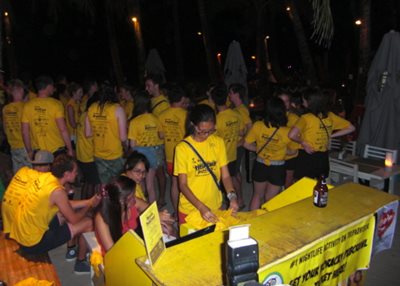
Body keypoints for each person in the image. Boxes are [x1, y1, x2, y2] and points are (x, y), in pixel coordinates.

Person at [10, 154, 101, 273]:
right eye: (75, 171)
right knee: (89, 222)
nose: (77, 174)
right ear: (67, 174)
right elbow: (74, 219)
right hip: (32, 243)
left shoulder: (46, 178)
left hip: (23, 235)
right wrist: (90, 206)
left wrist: (88, 201)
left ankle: (71, 250)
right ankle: (80, 262)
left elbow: (65, 204)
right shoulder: (57, 191)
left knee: (64, 213)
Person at [174, 104, 239, 225]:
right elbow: (182, 185)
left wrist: (232, 197)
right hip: (190, 208)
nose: (206, 135)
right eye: (202, 131)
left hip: (215, 205)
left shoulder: (218, 142)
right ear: (193, 125)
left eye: (210, 131)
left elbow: (225, 176)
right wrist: (201, 207)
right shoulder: (182, 148)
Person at [94, 175, 175, 255]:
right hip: (119, 253)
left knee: (167, 227)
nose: (135, 199)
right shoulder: (101, 219)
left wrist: (161, 216)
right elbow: (112, 252)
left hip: (135, 242)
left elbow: (152, 212)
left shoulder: (132, 202)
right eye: (132, 197)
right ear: (121, 201)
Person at [288, 88, 355, 180]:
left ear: (309, 102)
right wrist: (330, 135)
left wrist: (304, 143)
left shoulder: (306, 118)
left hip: (307, 156)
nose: (303, 103)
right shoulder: (330, 116)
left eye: (304, 100)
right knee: (320, 186)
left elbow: (292, 135)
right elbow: (351, 128)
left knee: (303, 186)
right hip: (322, 157)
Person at [244, 97, 296, 210]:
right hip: (277, 168)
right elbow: (294, 151)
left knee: (257, 195)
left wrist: (259, 149)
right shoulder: (287, 131)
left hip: (260, 164)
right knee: (270, 199)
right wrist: (281, 150)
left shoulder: (258, 125)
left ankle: (253, 222)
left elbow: (246, 144)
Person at [21, 76, 74, 159]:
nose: (53, 88)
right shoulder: (56, 104)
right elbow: (62, 129)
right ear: (48, 86)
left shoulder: (27, 106)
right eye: (53, 86)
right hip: (57, 151)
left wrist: (29, 151)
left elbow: (25, 132)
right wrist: (70, 149)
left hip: (38, 152)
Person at [2, 150, 54, 235]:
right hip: (21, 219)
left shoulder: (22, 171)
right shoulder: (45, 178)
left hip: (6, 213)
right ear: (49, 166)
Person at [85, 84, 127, 184]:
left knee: (105, 184)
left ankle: (107, 200)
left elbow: (87, 133)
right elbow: (123, 137)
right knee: (119, 184)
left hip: (99, 154)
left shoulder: (91, 108)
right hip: (115, 154)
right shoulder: (118, 109)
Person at [211, 84, 244, 207]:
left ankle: (232, 202)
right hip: (233, 153)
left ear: (214, 100)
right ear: (227, 98)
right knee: (233, 177)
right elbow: (241, 131)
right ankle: (240, 199)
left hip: (222, 156)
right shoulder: (236, 114)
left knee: (225, 180)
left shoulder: (216, 120)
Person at [128, 90, 164, 204]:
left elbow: (132, 145)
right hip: (154, 153)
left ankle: (142, 209)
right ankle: (153, 212)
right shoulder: (155, 118)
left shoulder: (134, 121)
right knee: (150, 185)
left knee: (140, 183)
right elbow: (161, 135)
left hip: (141, 154)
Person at [158, 85, 188, 213]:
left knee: (175, 183)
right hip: (185, 155)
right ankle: (186, 210)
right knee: (187, 184)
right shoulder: (186, 114)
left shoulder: (161, 115)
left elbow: (160, 135)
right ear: (181, 99)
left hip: (170, 155)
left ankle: (176, 212)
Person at [228, 83, 252, 206]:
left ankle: (240, 200)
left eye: (231, 93)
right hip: (236, 146)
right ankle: (240, 198)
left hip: (237, 146)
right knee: (236, 173)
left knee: (232, 174)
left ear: (237, 94)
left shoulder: (241, 110)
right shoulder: (236, 108)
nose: (229, 95)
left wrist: (244, 140)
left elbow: (249, 126)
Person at [2, 79, 30, 173]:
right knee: (30, 174)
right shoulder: (25, 107)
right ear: (20, 90)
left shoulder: (5, 108)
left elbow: (5, 129)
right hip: (25, 146)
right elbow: (26, 130)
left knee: (18, 175)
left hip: (13, 146)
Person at [275, 89, 300, 188]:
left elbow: (298, 137)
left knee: (287, 184)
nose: (284, 104)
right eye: (281, 101)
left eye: (286, 101)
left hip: (290, 155)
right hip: (275, 154)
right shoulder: (273, 116)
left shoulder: (294, 118)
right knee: (274, 184)